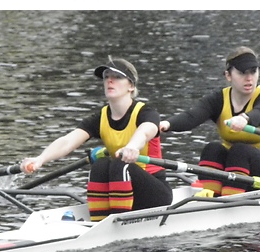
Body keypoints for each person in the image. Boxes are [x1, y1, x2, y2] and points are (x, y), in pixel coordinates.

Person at [21, 56, 173, 221]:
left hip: (154, 194)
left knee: (120, 163)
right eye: (106, 77)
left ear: (131, 85)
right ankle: (99, 222)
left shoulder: (147, 112)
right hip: (123, 191)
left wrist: (132, 147)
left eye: (117, 77)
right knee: (100, 164)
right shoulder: (100, 117)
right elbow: (67, 142)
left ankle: (116, 222)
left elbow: (145, 131)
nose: (110, 81)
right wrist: (40, 159)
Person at [160, 46, 260, 197]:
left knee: (240, 150)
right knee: (212, 148)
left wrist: (244, 118)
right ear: (228, 75)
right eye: (242, 73)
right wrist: (166, 125)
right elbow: (192, 116)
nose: (249, 78)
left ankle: (229, 198)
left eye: (253, 72)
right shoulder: (218, 99)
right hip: (236, 169)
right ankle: (210, 194)